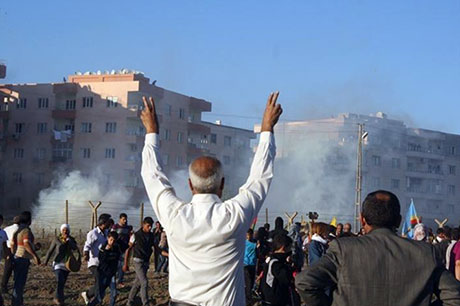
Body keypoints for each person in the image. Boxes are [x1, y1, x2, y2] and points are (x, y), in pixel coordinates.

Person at [140, 92, 282, 305]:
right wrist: (266, 129)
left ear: (190, 185)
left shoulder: (174, 215)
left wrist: (152, 132)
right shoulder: (235, 215)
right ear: (222, 185)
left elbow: (152, 176)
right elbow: (259, 178)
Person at [295, 190, 460, 306]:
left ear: (362, 220)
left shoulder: (344, 249)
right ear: (399, 221)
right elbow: (455, 297)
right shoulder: (424, 252)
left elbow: (304, 282)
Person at [43, 224, 80, 305]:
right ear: (61, 231)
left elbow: (75, 248)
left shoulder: (71, 239)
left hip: (67, 264)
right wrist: (45, 261)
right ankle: (57, 299)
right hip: (57, 262)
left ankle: (59, 297)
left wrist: (69, 241)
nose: (65, 231)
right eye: (63, 230)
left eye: (66, 230)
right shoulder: (56, 239)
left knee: (62, 282)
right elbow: (50, 251)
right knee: (60, 280)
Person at [124, 217, 156, 306]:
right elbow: (128, 249)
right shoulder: (135, 235)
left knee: (137, 283)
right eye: (148, 226)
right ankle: (145, 303)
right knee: (144, 282)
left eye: (151, 226)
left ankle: (129, 302)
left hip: (145, 262)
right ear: (143, 225)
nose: (149, 228)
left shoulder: (151, 236)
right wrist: (125, 264)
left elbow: (156, 248)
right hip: (137, 261)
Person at [81, 213, 112, 305]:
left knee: (103, 283)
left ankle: (87, 294)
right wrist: (86, 254)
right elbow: (87, 245)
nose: (110, 223)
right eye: (108, 222)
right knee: (99, 280)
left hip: (102, 262)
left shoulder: (106, 233)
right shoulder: (93, 233)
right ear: (103, 222)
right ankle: (97, 302)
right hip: (93, 262)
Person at [12, 211, 41, 306]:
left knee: (17, 283)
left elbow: (15, 245)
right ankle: (17, 303)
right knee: (20, 284)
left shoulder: (18, 230)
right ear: (29, 220)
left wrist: (35, 247)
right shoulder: (26, 231)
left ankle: (17, 302)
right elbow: (26, 244)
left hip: (17, 257)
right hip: (23, 259)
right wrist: (35, 256)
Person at [260, 234, 298, 306]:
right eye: (289, 248)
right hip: (275, 298)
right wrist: (290, 266)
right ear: (283, 248)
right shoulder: (276, 263)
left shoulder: (270, 259)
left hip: (269, 297)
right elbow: (286, 278)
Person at [88, 231, 121, 306]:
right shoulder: (103, 247)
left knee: (114, 293)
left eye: (114, 240)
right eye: (111, 240)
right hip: (103, 274)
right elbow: (101, 260)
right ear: (108, 238)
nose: (112, 242)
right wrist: (106, 251)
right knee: (100, 296)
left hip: (112, 274)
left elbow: (117, 259)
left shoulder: (116, 248)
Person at [111, 213, 133, 288]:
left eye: (126, 219)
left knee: (123, 264)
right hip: (116, 248)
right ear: (120, 219)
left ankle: (120, 280)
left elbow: (130, 236)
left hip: (124, 249)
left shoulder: (128, 228)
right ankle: (113, 280)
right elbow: (112, 236)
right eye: (123, 219)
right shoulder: (115, 227)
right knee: (115, 264)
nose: (125, 221)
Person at [2, 216, 19, 294]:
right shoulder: (21, 230)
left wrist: (6, 254)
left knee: (7, 270)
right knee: (18, 270)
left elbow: (4, 243)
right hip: (16, 250)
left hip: (7, 250)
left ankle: (4, 286)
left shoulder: (6, 229)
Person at [244, 229, 257, 304]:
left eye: (250, 235)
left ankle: (248, 296)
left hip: (253, 263)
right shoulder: (245, 243)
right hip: (246, 264)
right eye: (248, 235)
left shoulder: (254, 243)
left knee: (251, 281)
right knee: (248, 282)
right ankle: (248, 299)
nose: (249, 237)